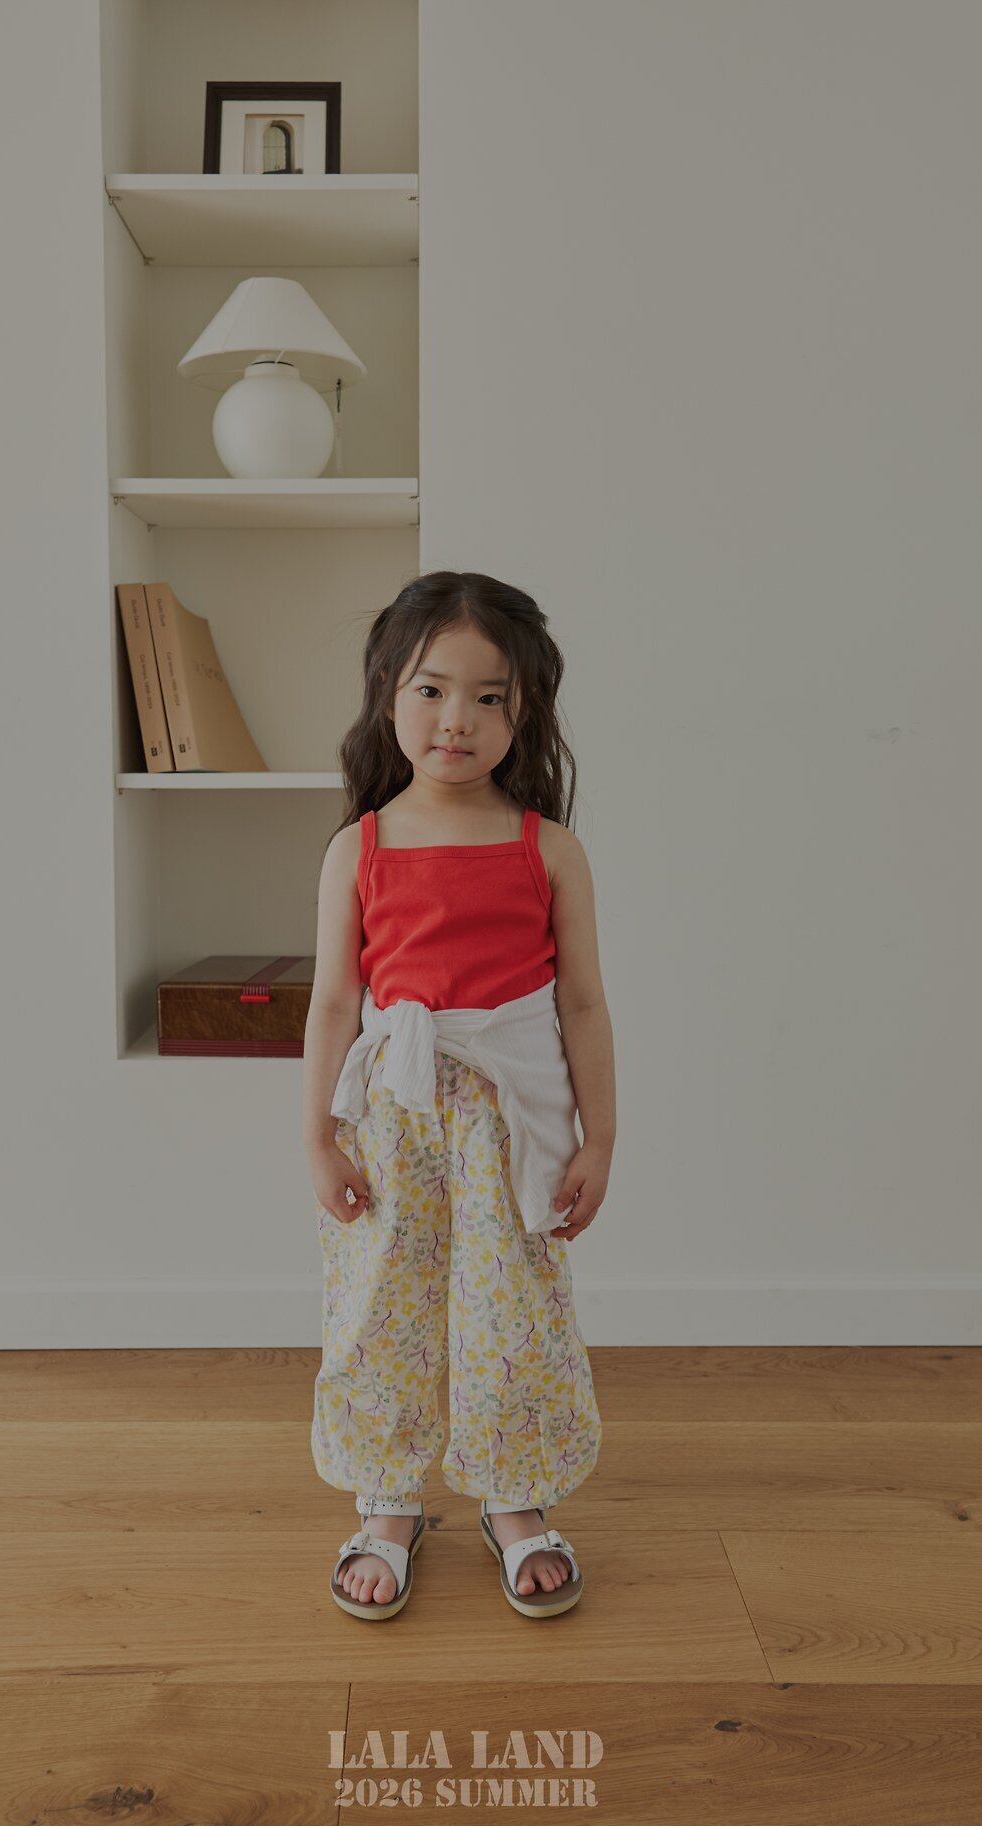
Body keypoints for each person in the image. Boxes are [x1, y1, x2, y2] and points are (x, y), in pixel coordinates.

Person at [302, 570, 615, 1622]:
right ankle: (387, 1499)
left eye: (490, 698)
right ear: (388, 694)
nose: (456, 719)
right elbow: (333, 1004)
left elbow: (581, 1006)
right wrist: (318, 1138)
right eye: (432, 690)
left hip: (510, 1121)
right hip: (390, 1117)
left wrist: (599, 1142)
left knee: (513, 1307)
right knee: (380, 1305)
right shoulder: (358, 847)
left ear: (524, 713)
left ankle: (514, 1496)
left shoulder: (548, 849)